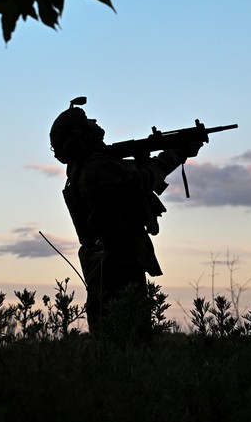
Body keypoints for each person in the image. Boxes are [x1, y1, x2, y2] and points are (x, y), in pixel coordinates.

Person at [49, 97, 202, 334]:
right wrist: (175, 154)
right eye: (87, 121)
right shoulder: (97, 167)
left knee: (113, 339)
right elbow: (140, 182)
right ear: (81, 134)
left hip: (106, 263)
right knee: (131, 336)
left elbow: (127, 182)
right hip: (117, 263)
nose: (94, 122)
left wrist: (145, 157)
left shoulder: (85, 168)